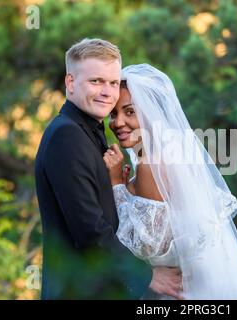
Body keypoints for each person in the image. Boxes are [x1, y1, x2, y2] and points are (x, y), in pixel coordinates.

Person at [103, 63, 237, 299]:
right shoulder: (171, 153)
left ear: (152, 113)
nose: (118, 122)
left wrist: (116, 186)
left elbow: (149, 245)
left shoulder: (152, 164)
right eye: (113, 113)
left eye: (129, 112)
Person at [35, 39, 182, 299]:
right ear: (70, 82)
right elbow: (90, 231)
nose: (107, 91)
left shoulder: (88, 132)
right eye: (96, 81)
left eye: (113, 83)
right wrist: (147, 275)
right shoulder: (66, 136)